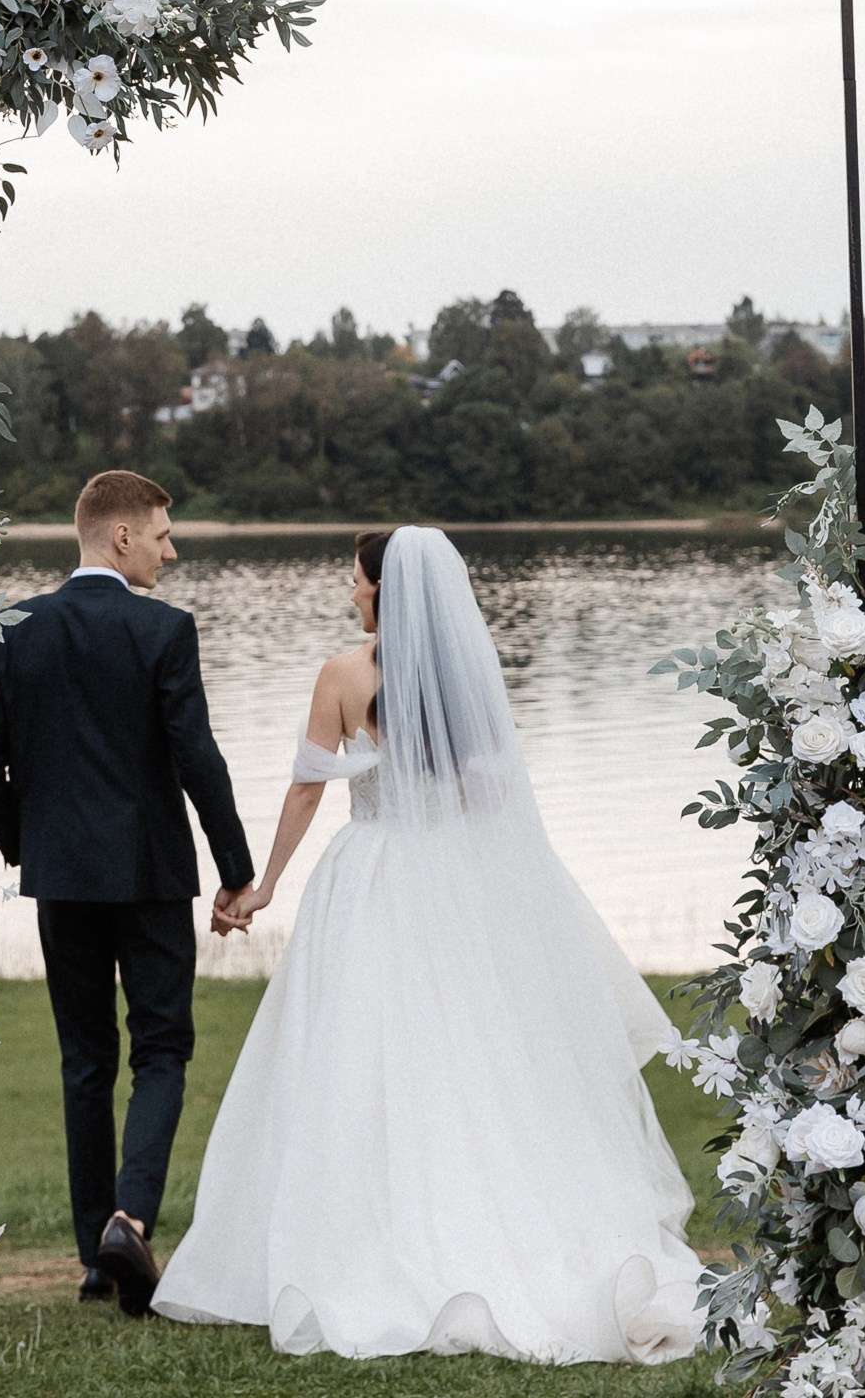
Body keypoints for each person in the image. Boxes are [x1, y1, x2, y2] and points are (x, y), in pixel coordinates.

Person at [153, 525, 704, 1363]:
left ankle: (375, 1234)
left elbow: (308, 787)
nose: (350, 592)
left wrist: (261, 883)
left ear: (384, 591)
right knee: (471, 1056)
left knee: (363, 1055)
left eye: (357, 581)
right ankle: (490, 1222)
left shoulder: (343, 676)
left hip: (372, 878)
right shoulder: (468, 683)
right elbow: (491, 799)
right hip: (456, 882)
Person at [0, 469, 255, 1315]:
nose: (171, 549)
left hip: (61, 880)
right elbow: (196, 757)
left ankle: (97, 1256)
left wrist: (32, 846)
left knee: (85, 1060)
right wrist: (235, 870)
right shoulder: (162, 630)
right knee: (160, 1050)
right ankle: (129, 1218)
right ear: (118, 536)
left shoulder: (14, 627)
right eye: (161, 534)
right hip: (151, 875)